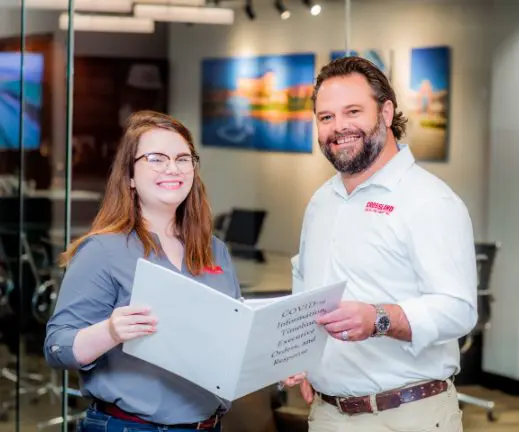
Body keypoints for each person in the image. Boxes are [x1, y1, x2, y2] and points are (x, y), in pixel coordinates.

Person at [286, 57, 478, 431]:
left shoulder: (429, 200)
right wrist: (302, 356)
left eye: (353, 111)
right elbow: (305, 283)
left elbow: (459, 309)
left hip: (406, 416)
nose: (338, 127)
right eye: (326, 117)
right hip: (326, 414)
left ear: (386, 112)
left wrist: (379, 319)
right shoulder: (322, 201)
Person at [44, 110, 241, 432]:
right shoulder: (103, 250)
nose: (172, 168)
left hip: (208, 424)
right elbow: (56, 347)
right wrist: (110, 331)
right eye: (156, 159)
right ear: (130, 177)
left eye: (183, 159)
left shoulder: (213, 248)